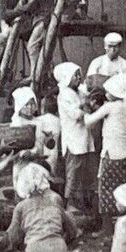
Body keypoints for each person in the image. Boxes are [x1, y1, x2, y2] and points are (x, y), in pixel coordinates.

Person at [85, 73, 126, 232]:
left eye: (109, 92)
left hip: (111, 154)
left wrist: (86, 109)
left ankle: (107, 228)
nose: (107, 94)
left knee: (106, 188)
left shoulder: (110, 107)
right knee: (123, 187)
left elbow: (88, 122)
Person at [53, 61, 96, 217]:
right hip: (74, 139)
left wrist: (88, 102)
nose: (79, 77)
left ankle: (84, 204)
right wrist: (86, 105)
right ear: (66, 78)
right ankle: (71, 204)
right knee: (74, 172)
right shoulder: (64, 95)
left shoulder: (79, 91)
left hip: (84, 137)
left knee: (86, 172)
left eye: (79, 74)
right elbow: (76, 115)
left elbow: (87, 106)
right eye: (75, 75)